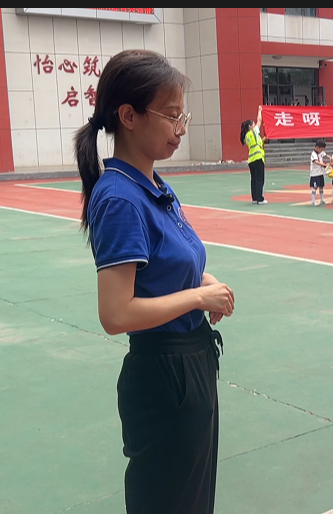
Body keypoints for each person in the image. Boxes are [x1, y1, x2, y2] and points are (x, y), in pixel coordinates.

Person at [74, 49, 235, 514]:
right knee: (168, 501)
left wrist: (205, 281)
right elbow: (116, 313)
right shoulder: (121, 198)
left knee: (192, 497)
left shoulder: (154, 185)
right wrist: (198, 296)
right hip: (165, 375)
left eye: (182, 114)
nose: (180, 127)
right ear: (128, 116)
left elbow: (170, 263)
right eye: (170, 115)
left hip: (190, 362)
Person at [240, 106, 268, 205]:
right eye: (253, 124)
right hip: (258, 158)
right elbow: (259, 120)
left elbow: (257, 143)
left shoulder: (247, 136)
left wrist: (264, 139)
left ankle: (255, 198)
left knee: (254, 179)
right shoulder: (253, 132)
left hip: (251, 160)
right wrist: (260, 111)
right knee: (260, 179)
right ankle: (260, 199)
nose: (255, 124)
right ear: (250, 126)